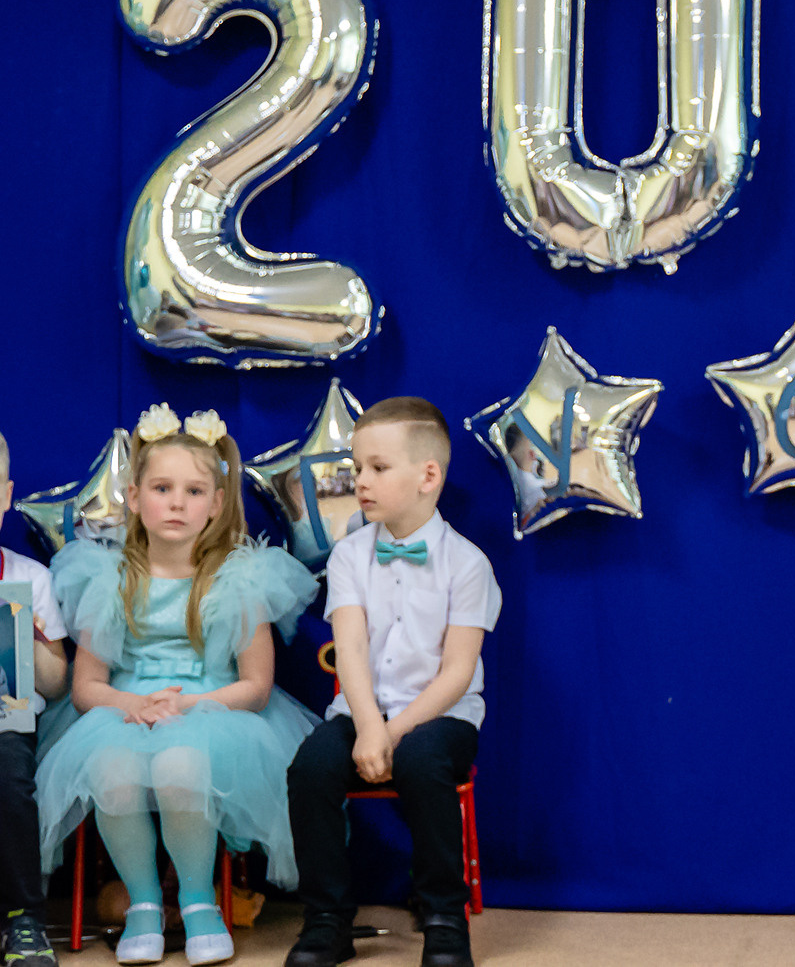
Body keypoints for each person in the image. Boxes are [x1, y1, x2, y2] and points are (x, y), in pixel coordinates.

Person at [36, 406, 319, 967]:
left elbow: (257, 686)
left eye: (193, 491)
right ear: (134, 498)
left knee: (180, 767)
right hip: (125, 710)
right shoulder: (108, 579)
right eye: (162, 488)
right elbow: (87, 684)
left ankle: (197, 902)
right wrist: (132, 703)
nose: (176, 502)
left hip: (214, 709)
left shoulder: (240, 578)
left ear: (216, 503)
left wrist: (191, 704)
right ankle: (143, 902)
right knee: (112, 770)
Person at [284, 398, 502, 967]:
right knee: (310, 769)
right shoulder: (350, 556)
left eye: (377, 468)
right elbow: (349, 650)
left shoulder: (468, 564)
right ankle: (327, 918)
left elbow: (456, 672)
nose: (360, 482)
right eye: (357, 468)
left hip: (440, 717)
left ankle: (442, 919)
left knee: (423, 762)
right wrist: (368, 726)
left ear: (428, 475)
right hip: (360, 711)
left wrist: (393, 731)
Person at [0, 430, 70, 967]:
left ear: (6, 496)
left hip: (8, 722)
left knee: (8, 775)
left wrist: (42, 641)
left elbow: (53, 684)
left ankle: (24, 916)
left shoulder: (32, 579)